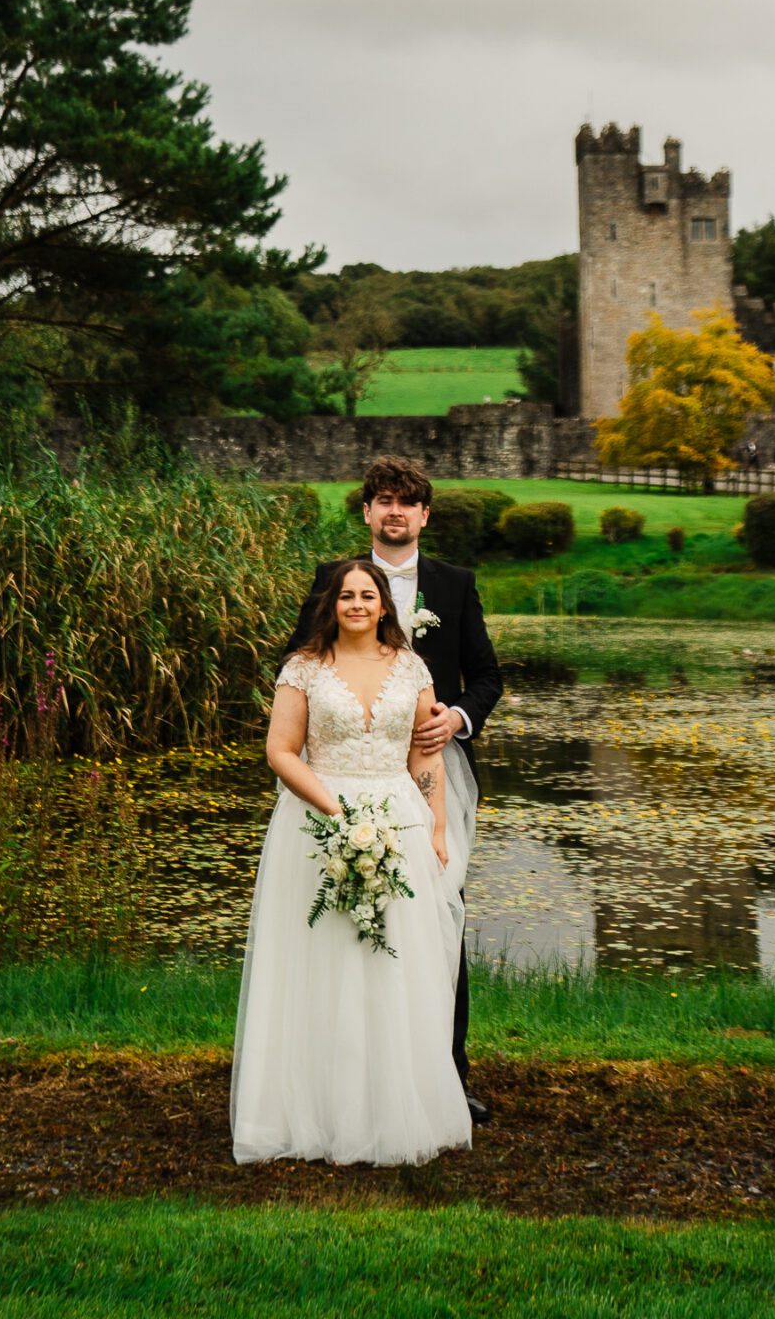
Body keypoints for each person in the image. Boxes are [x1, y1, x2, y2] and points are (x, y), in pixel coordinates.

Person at [231, 558, 472, 1166]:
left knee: (392, 961)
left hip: (399, 820)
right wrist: (335, 811)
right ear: (330, 605)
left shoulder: (412, 668)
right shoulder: (304, 670)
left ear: (385, 605)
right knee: (323, 959)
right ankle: (312, 1110)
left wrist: (436, 825)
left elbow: (426, 754)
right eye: (346, 596)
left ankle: (392, 1109)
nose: (358, 604)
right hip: (318, 823)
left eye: (368, 595)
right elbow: (281, 752)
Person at [284, 456, 502, 1115]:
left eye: (407, 502)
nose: (395, 512)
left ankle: (445, 1075)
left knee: (437, 913)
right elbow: (297, 663)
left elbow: (487, 676)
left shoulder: (455, 584)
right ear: (367, 512)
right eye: (383, 501)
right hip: (344, 770)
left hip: (435, 772)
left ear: (424, 514)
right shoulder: (335, 580)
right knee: (330, 915)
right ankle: (335, 1072)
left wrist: (456, 717)